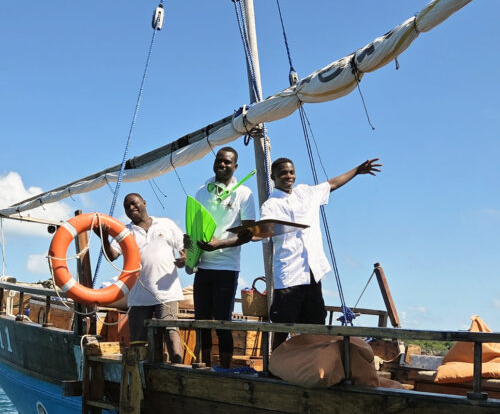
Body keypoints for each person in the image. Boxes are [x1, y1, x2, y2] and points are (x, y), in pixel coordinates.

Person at [260, 157, 382, 349]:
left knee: (316, 324)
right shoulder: (270, 205)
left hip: (312, 271)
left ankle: (312, 362)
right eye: (283, 173)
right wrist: (250, 235)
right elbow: (263, 231)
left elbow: (332, 184)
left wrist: (357, 171)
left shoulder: (306, 192)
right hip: (289, 274)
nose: (288, 176)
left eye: (291, 172)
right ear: (273, 177)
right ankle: (273, 363)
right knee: (282, 325)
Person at [97, 193, 186, 364]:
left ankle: (179, 369)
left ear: (144, 203)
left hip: (166, 293)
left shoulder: (166, 224)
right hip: (138, 297)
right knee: (138, 341)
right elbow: (112, 255)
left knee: (170, 331)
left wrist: (185, 258)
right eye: (127, 206)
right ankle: (142, 374)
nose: (131, 207)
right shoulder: (125, 232)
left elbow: (184, 247)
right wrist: (103, 238)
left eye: (134, 203)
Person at [193, 147, 255, 368]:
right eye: (219, 160)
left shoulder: (244, 193)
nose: (222, 164)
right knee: (201, 322)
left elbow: (248, 234)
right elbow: (195, 228)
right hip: (203, 266)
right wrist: (189, 251)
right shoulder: (202, 191)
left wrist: (220, 243)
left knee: (222, 323)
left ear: (235, 167)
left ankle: (225, 370)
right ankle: (203, 367)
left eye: (227, 162)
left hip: (227, 267)